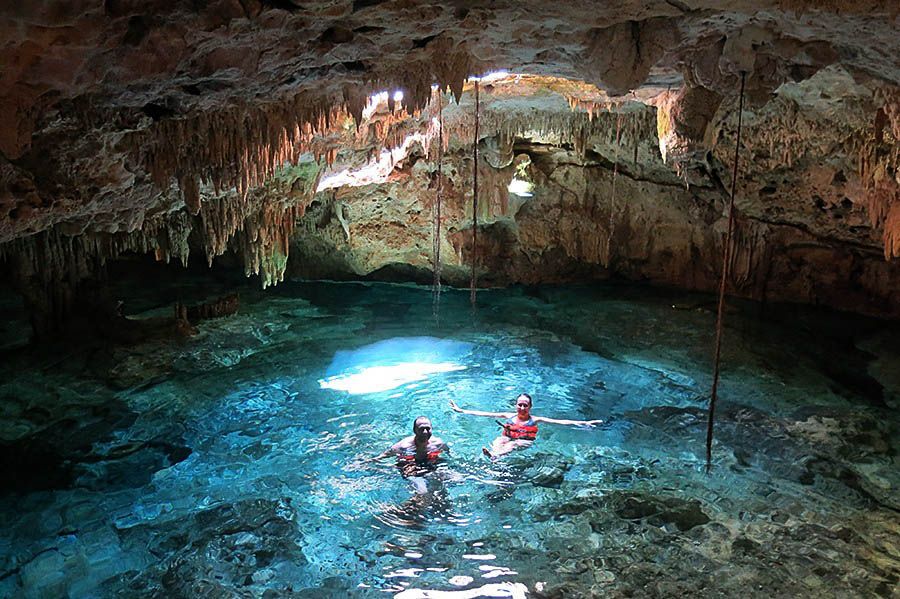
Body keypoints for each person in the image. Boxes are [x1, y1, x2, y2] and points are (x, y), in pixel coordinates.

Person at [449, 393, 603, 459]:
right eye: (520, 405)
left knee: (514, 444)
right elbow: (485, 413)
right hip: (508, 437)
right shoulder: (508, 416)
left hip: (524, 441)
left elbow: (560, 422)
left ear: (530, 407)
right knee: (500, 440)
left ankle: (496, 456)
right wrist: (461, 410)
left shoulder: (535, 420)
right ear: (516, 405)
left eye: (525, 405)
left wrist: (584, 423)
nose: (522, 408)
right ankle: (494, 455)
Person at [372, 416, 449, 493]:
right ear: (414, 430)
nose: (425, 432)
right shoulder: (403, 446)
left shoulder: (438, 443)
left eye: (428, 429)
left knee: (447, 484)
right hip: (411, 468)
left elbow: (449, 454)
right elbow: (384, 456)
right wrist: (370, 462)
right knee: (422, 491)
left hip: (429, 465)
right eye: (421, 429)